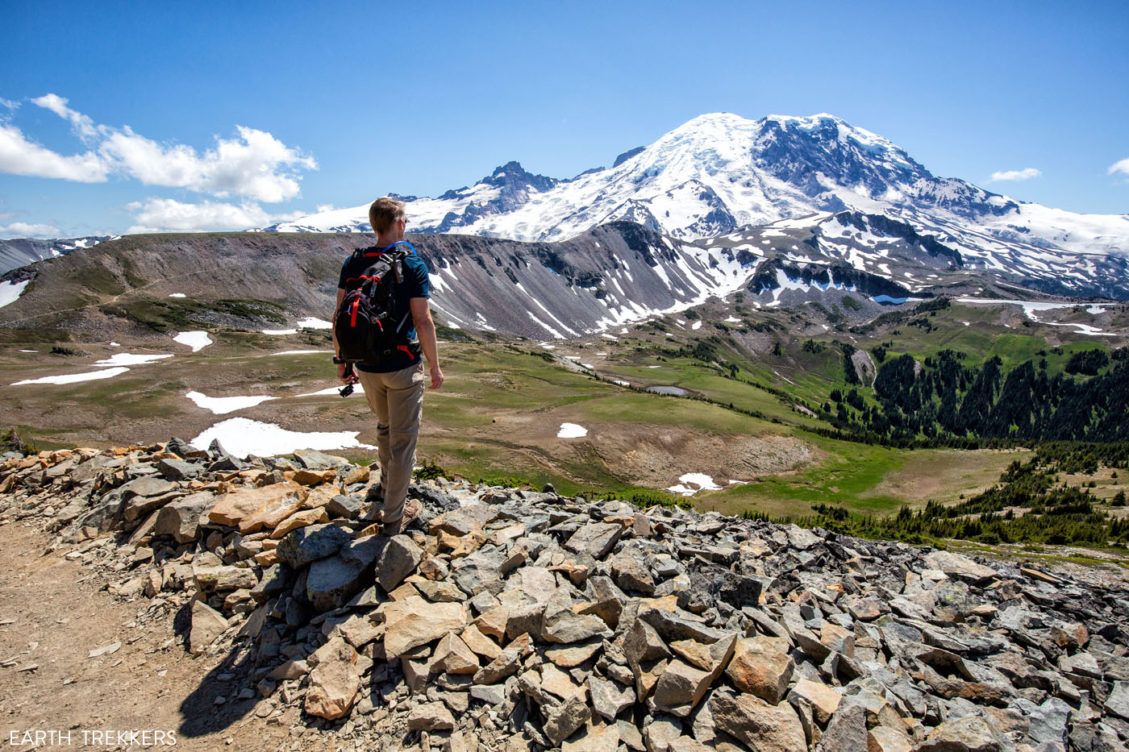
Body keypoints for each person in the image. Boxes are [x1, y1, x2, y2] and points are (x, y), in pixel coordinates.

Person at [334, 197, 444, 534]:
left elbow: (338, 316)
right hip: (402, 368)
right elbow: (422, 321)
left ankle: (385, 488)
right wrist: (436, 367)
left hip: (366, 366)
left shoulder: (353, 262)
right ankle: (394, 518)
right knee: (403, 442)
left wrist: (341, 360)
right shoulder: (411, 263)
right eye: (405, 220)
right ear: (397, 224)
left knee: (385, 427)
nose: (406, 225)